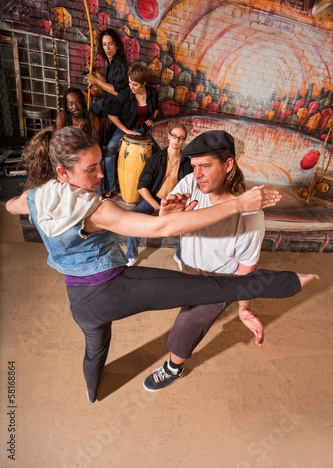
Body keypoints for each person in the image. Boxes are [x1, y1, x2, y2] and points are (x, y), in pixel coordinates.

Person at [5, 126, 318, 404]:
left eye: (101, 164)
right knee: (217, 288)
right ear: (63, 173)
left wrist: (166, 215)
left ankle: (92, 392)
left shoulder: (35, 197)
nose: (102, 174)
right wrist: (238, 204)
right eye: (92, 168)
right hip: (111, 290)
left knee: (95, 351)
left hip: (79, 302)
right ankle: (289, 282)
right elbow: (161, 230)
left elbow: (10, 205)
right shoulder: (94, 209)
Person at [142, 130, 309, 391]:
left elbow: (246, 266)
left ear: (228, 165)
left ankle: (174, 367)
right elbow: (170, 225)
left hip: (217, 282)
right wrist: (167, 215)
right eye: (195, 166)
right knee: (183, 308)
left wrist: (243, 307)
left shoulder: (251, 218)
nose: (197, 174)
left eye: (205, 166)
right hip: (186, 267)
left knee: (187, 326)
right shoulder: (190, 183)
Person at [126, 122, 192, 266]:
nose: (177, 140)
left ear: (184, 140)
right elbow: (141, 187)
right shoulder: (156, 159)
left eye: (181, 138)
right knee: (133, 221)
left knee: (189, 225)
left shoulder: (187, 162)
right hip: (154, 200)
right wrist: (156, 206)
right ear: (168, 136)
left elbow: (190, 188)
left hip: (174, 202)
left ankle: (180, 256)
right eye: (174, 136)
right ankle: (131, 256)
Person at [104, 63, 160, 195]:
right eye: (130, 83)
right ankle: (110, 188)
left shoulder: (152, 93)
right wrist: (127, 131)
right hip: (125, 128)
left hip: (144, 131)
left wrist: (152, 118)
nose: (131, 87)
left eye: (135, 84)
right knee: (109, 153)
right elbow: (111, 115)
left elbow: (156, 108)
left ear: (143, 83)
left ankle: (149, 190)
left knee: (159, 156)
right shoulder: (125, 93)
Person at [85, 28, 128, 120]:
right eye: (104, 44)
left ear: (117, 46)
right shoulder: (111, 62)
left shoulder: (120, 65)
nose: (107, 48)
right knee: (83, 109)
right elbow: (109, 83)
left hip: (117, 110)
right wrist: (96, 72)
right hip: (107, 102)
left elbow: (117, 91)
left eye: (110, 44)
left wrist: (96, 80)